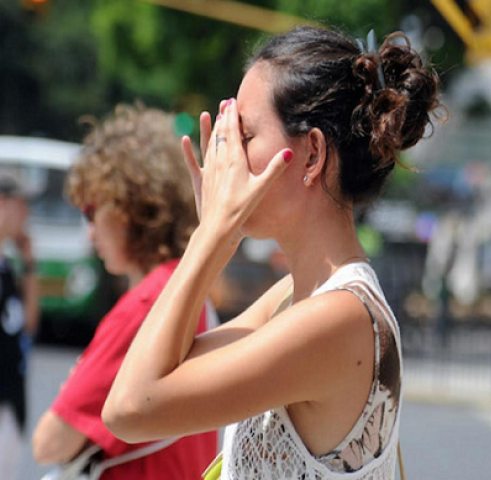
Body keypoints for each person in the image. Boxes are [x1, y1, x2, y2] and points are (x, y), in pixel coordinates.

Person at [103, 27, 442, 479]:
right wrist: (216, 236)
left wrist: (211, 236)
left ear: (311, 155)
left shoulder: (339, 317)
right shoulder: (292, 298)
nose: (227, 158)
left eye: (244, 137)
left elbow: (129, 409)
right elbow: (165, 368)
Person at [32, 105, 218, 479]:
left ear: (127, 207)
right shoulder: (189, 289)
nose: (90, 232)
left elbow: (49, 442)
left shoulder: (148, 305)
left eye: (90, 211)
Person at [0, 176, 39, 480]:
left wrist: (29, 264)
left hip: (12, 398)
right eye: (19, 205)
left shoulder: (8, 265)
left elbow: (28, 322)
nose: (25, 214)